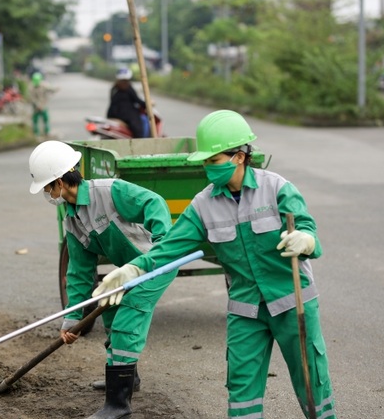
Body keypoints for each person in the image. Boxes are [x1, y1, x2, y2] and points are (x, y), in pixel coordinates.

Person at [93, 110, 337, 418]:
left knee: (311, 383)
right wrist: (133, 270)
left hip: (292, 303)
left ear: (238, 157)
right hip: (246, 310)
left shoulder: (276, 188)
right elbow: (168, 249)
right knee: (241, 391)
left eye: (214, 161)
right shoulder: (203, 205)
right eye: (206, 162)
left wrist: (305, 240)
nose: (208, 169)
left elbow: (307, 229)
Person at [28, 140, 174, 401]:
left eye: (47, 187)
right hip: (126, 271)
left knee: (127, 320)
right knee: (108, 309)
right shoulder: (71, 219)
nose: (47, 194)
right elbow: (79, 272)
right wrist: (73, 319)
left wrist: (162, 244)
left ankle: (118, 403)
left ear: (60, 182)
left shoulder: (109, 192)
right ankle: (126, 376)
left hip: (155, 264)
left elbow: (154, 202)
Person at [106, 67, 147, 138]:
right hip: (127, 116)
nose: (124, 83)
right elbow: (137, 100)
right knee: (138, 131)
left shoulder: (114, 89)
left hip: (112, 114)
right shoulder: (128, 89)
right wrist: (147, 104)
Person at [29, 72, 58, 139]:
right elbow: (32, 98)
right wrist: (38, 105)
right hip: (36, 106)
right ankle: (36, 133)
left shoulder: (43, 85)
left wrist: (55, 89)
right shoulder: (31, 87)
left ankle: (47, 132)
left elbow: (50, 89)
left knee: (46, 118)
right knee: (35, 120)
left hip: (43, 105)